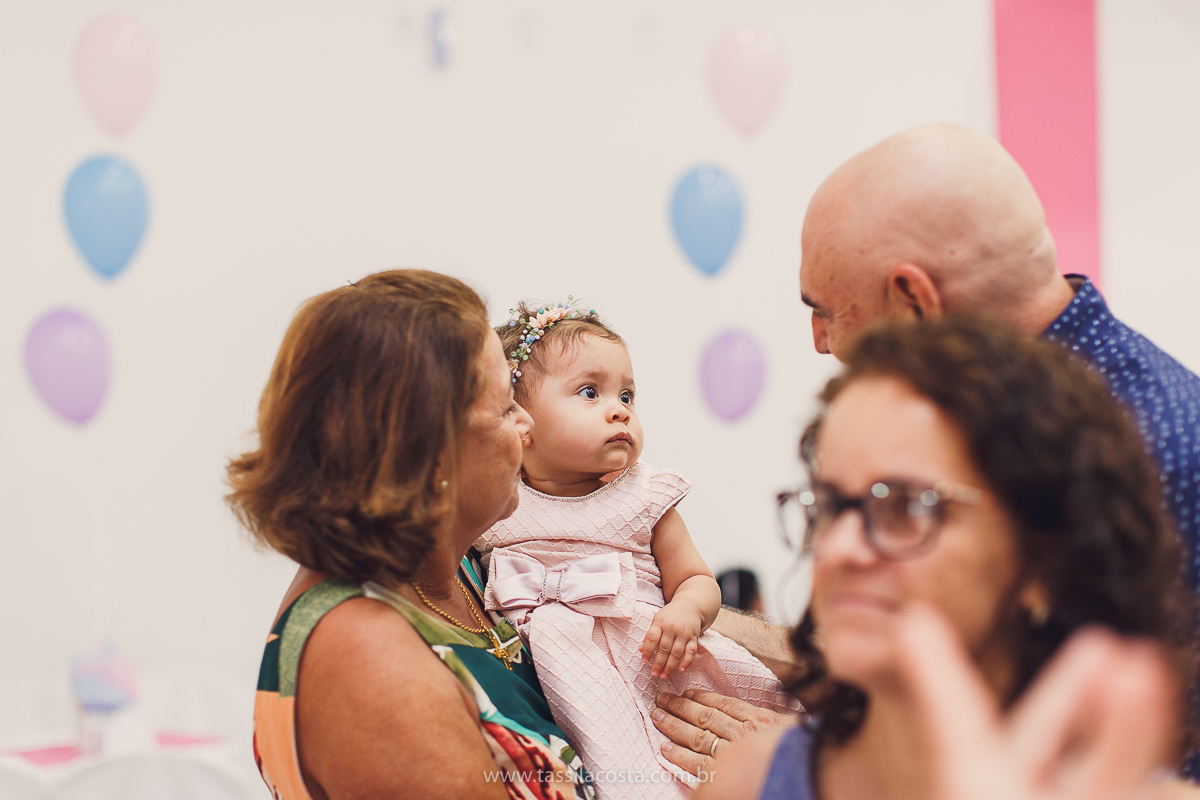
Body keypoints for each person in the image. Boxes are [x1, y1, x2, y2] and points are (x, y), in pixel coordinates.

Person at [693, 318, 1197, 800]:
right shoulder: (742, 784)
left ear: (1042, 559)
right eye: (828, 506)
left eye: (907, 506)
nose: (840, 549)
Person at [227, 270, 594, 800]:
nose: (528, 427)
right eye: (505, 407)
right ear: (430, 454)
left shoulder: (464, 566)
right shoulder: (362, 654)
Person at [796, 123, 1200, 590]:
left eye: (825, 312)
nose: (820, 341)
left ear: (914, 305)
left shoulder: (1139, 467)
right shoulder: (1013, 422)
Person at [476, 300, 797, 799]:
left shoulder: (643, 498)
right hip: (571, 683)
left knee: (702, 763)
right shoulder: (499, 505)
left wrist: (687, 613)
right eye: (590, 392)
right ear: (521, 422)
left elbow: (696, 579)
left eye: (627, 394)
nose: (620, 407)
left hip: (662, 667)